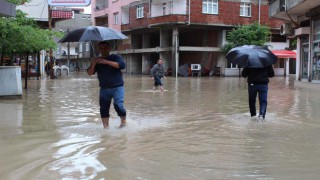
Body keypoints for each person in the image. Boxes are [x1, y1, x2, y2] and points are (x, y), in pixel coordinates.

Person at [87, 41, 127, 129]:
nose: (103, 49)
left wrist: (106, 61)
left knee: (118, 105)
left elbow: (122, 65)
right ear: (99, 49)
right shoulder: (97, 61)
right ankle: (106, 127)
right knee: (103, 108)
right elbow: (90, 73)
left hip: (117, 87)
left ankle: (123, 122)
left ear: (109, 48)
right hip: (104, 89)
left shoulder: (115, 57)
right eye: (101, 48)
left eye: (105, 47)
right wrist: (93, 63)